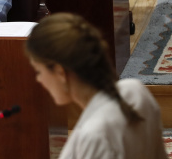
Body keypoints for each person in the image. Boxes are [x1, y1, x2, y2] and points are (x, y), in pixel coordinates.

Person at [25, 13, 168, 159]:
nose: (39, 79)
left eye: (39, 71)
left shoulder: (94, 136)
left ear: (60, 72)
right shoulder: (136, 90)